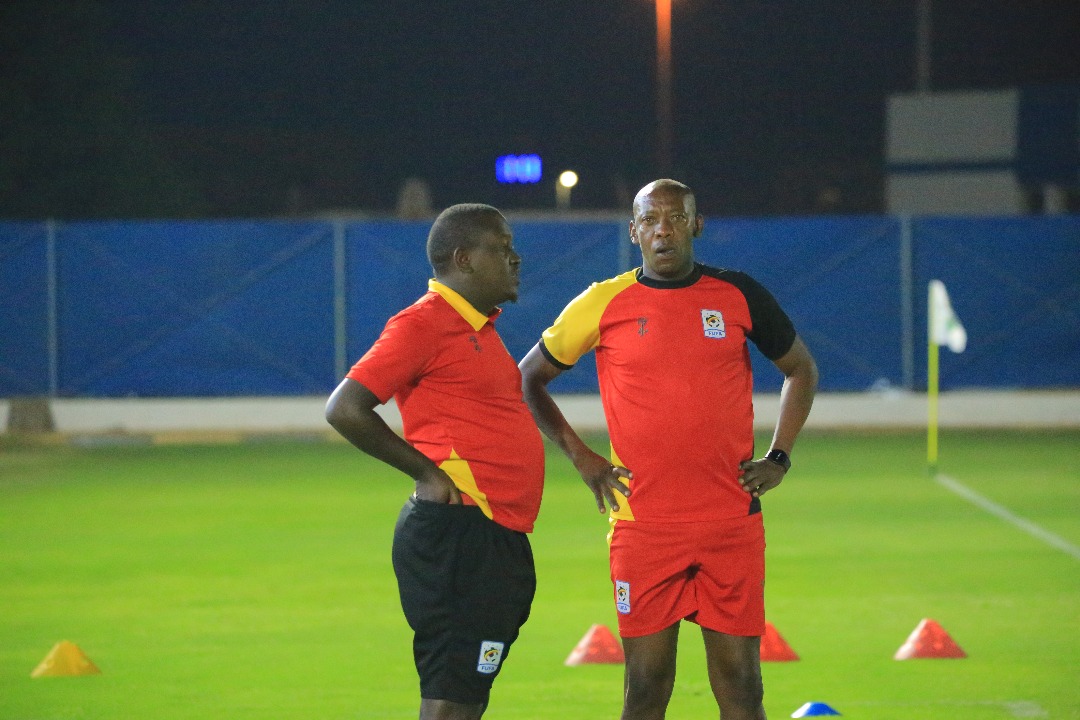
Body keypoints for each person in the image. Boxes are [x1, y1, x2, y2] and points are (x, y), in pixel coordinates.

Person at [518, 179, 818, 720]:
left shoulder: (738, 294)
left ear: (696, 225)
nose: (664, 231)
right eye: (651, 220)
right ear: (634, 232)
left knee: (744, 688)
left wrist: (779, 457)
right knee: (646, 689)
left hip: (730, 523)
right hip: (645, 528)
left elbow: (801, 369)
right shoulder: (602, 302)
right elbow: (528, 378)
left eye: (676, 218)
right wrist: (583, 458)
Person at [326, 203, 544, 720]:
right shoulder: (423, 323)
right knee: (450, 700)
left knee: (466, 696)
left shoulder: (477, 328)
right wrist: (426, 472)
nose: (515, 259)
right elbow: (345, 408)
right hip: (459, 535)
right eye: (502, 248)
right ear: (463, 259)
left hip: (491, 534)